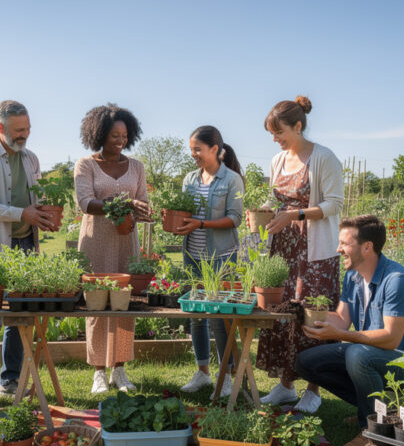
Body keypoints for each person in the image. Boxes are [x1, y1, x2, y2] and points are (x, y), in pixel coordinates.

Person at [294, 215, 404, 446]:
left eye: (345, 244)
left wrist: (347, 337)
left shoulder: (397, 280)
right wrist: (303, 312)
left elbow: (390, 338)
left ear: (367, 247)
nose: (339, 249)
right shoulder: (353, 276)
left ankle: (372, 431)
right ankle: (378, 410)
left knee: (357, 355)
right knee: (306, 363)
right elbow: (341, 320)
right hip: (370, 352)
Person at [252, 96, 345, 413]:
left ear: (298, 126)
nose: (275, 139)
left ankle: (314, 389)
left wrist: (294, 216)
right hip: (284, 250)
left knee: (310, 314)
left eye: (279, 133)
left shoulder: (324, 158)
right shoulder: (277, 161)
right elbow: (275, 199)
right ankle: (285, 386)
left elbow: (334, 204)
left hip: (315, 253)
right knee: (282, 316)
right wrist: (267, 211)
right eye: (272, 134)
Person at [0, 100, 57, 399]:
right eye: (18, 130)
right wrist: (22, 214)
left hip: (25, 244)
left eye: (28, 129)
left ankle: (11, 379)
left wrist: (43, 216)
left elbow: (37, 198)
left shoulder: (30, 158)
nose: (24, 135)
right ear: (0, 128)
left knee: (20, 314)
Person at [74, 103, 151, 394]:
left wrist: (138, 212)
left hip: (126, 241)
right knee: (97, 303)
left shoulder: (137, 167)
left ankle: (119, 369)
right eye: (114, 135)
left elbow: (141, 200)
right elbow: (86, 203)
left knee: (124, 303)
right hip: (96, 240)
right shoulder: (86, 164)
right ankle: (98, 372)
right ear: (99, 134)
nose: (120, 140)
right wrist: (124, 205)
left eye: (125, 135)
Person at [169, 125, 245, 398]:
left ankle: (228, 375)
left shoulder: (231, 179)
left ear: (215, 149)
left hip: (221, 257)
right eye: (191, 150)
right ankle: (203, 372)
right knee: (196, 316)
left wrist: (201, 223)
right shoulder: (190, 178)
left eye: (198, 149)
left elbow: (235, 218)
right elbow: (183, 210)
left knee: (220, 318)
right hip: (193, 255)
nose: (194, 155)